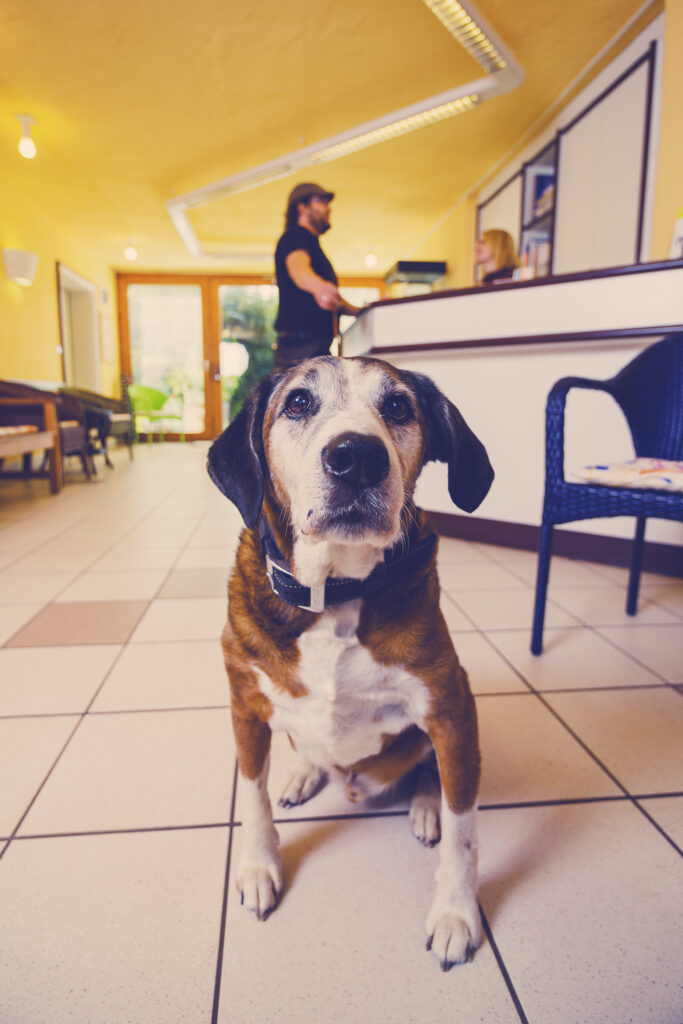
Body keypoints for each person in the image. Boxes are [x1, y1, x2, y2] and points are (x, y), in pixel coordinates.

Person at [273, 182, 361, 370]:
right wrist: (318, 287)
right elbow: (299, 269)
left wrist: (356, 311)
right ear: (302, 207)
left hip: (312, 346)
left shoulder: (312, 244)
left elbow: (331, 299)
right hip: (300, 349)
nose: (328, 208)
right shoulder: (295, 236)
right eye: (321, 201)